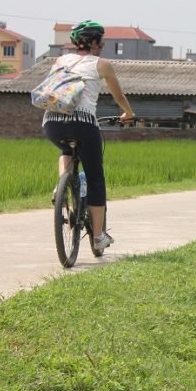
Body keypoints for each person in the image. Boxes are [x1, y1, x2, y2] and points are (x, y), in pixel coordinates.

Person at [43, 20, 135, 254]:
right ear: (93, 42)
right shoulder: (102, 64)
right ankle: (97, 237)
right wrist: (128, 113)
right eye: (101, 40)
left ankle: (61, 187)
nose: (103, 44)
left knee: (66, 151)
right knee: (95, 178)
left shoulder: (60, 60)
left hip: (52, 122)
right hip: (83, 123)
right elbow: (119, 95)